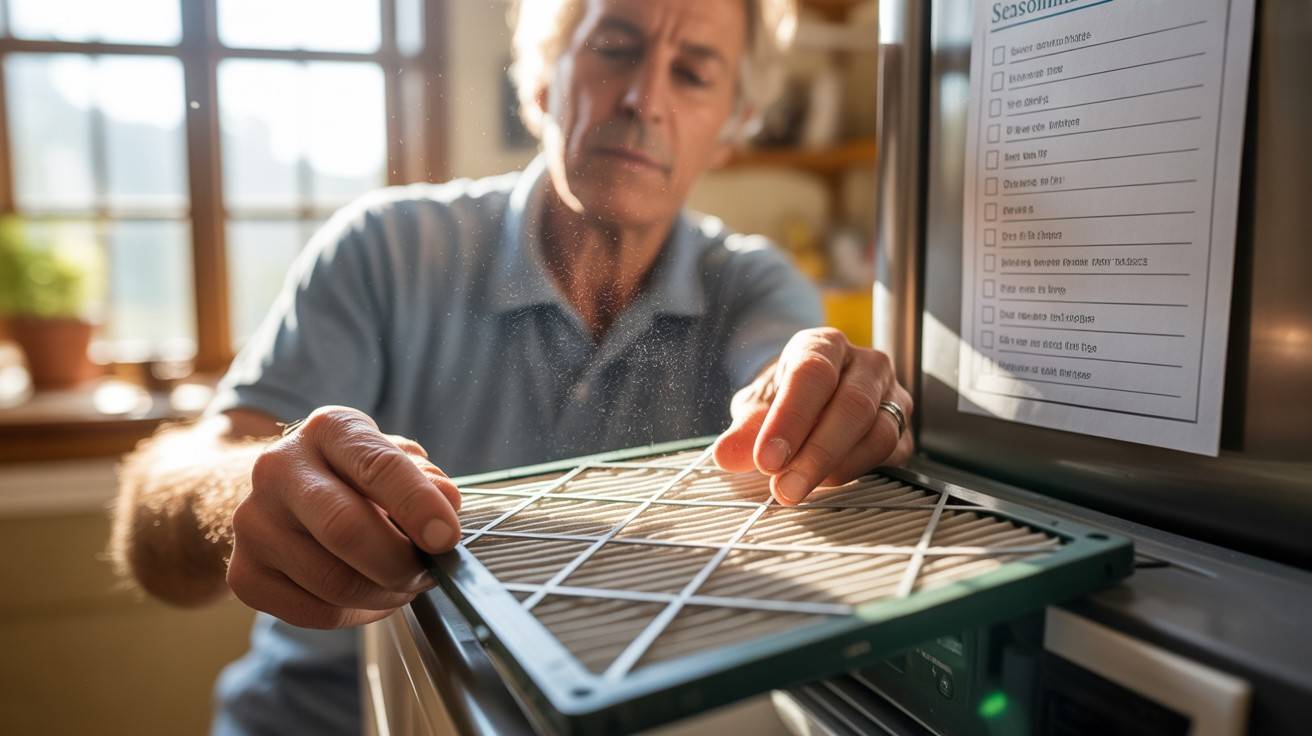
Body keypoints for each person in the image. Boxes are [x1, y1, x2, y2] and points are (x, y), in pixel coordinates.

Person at [110, 0, 914, 733]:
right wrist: (247, 486)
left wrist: (817, 401)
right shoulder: (386, 250)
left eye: (693, 72)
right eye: (613, 47)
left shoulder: (753, 285)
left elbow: (783, 374)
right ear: (538, 83)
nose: (643, 97)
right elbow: (161, 540)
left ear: (732, 126)